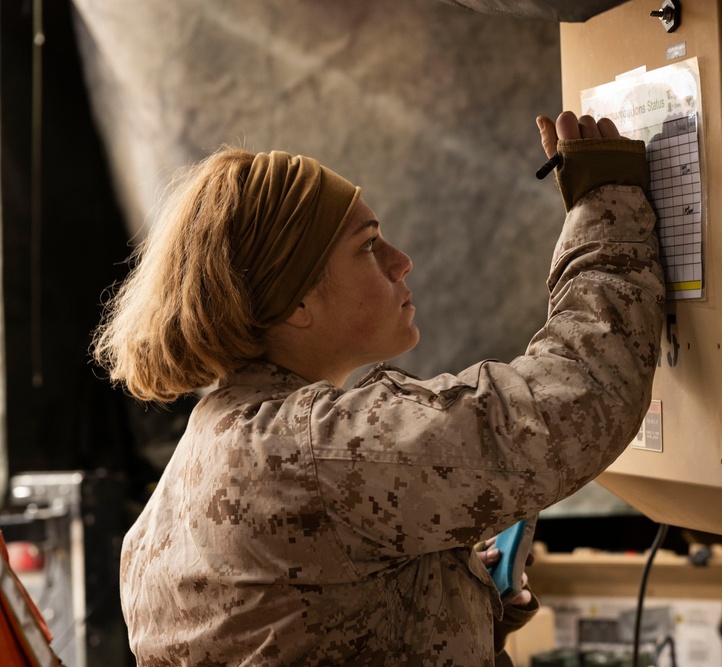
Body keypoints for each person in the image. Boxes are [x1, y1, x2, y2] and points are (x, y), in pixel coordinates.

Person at [92, 111, 665, 666]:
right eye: (368, 246)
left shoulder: (181, 485)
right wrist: (605, 201)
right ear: (295, 302)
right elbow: (578, 398)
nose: (401, 262)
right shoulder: (316, 451)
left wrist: (455, 596)